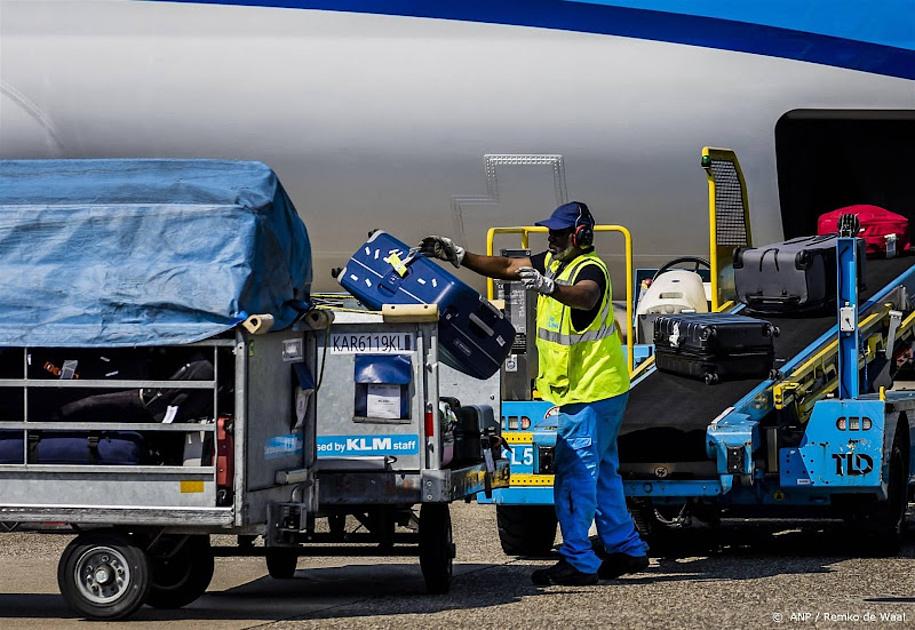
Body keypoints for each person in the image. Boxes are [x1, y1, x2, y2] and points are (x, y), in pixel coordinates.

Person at [420, 201, 648, 585]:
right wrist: (459, 256)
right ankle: (627, 548)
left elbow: (586, 296)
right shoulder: (555, 260)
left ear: (580, 236)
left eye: (558, 234)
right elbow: (510, 267)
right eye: (550, 233)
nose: (551, 239)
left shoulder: (588, 269)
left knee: (575, 474)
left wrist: (550, 288)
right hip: (597, 389)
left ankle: (579, 559)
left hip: (591, 391)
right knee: (604, 471)